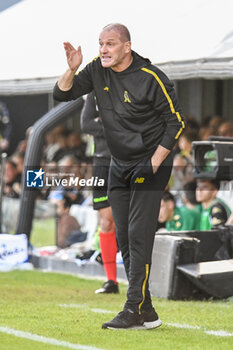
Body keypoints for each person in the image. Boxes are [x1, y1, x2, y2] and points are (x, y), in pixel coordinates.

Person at [53, 23, 185, 330]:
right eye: (101, 44)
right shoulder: (97, 69)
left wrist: (153, 163)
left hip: (151, 162)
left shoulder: (152, 77)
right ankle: (147, 310)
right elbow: (61, 94)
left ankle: (132, 308)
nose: (103, 49)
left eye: (110, 44)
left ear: (127, 46)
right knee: (124, 237)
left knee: (139, 235)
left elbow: (176, 123)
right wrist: (71, 69)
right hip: (119, 163)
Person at [80, 91, 119, 294]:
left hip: (124, 162)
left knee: (125, 220)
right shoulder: (94, 94)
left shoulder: (127, 88)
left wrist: (102, 125)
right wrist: (113, 128)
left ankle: (138, 280)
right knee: (106, 221)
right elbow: (86, 124)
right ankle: (111, 281)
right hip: (101, 164)